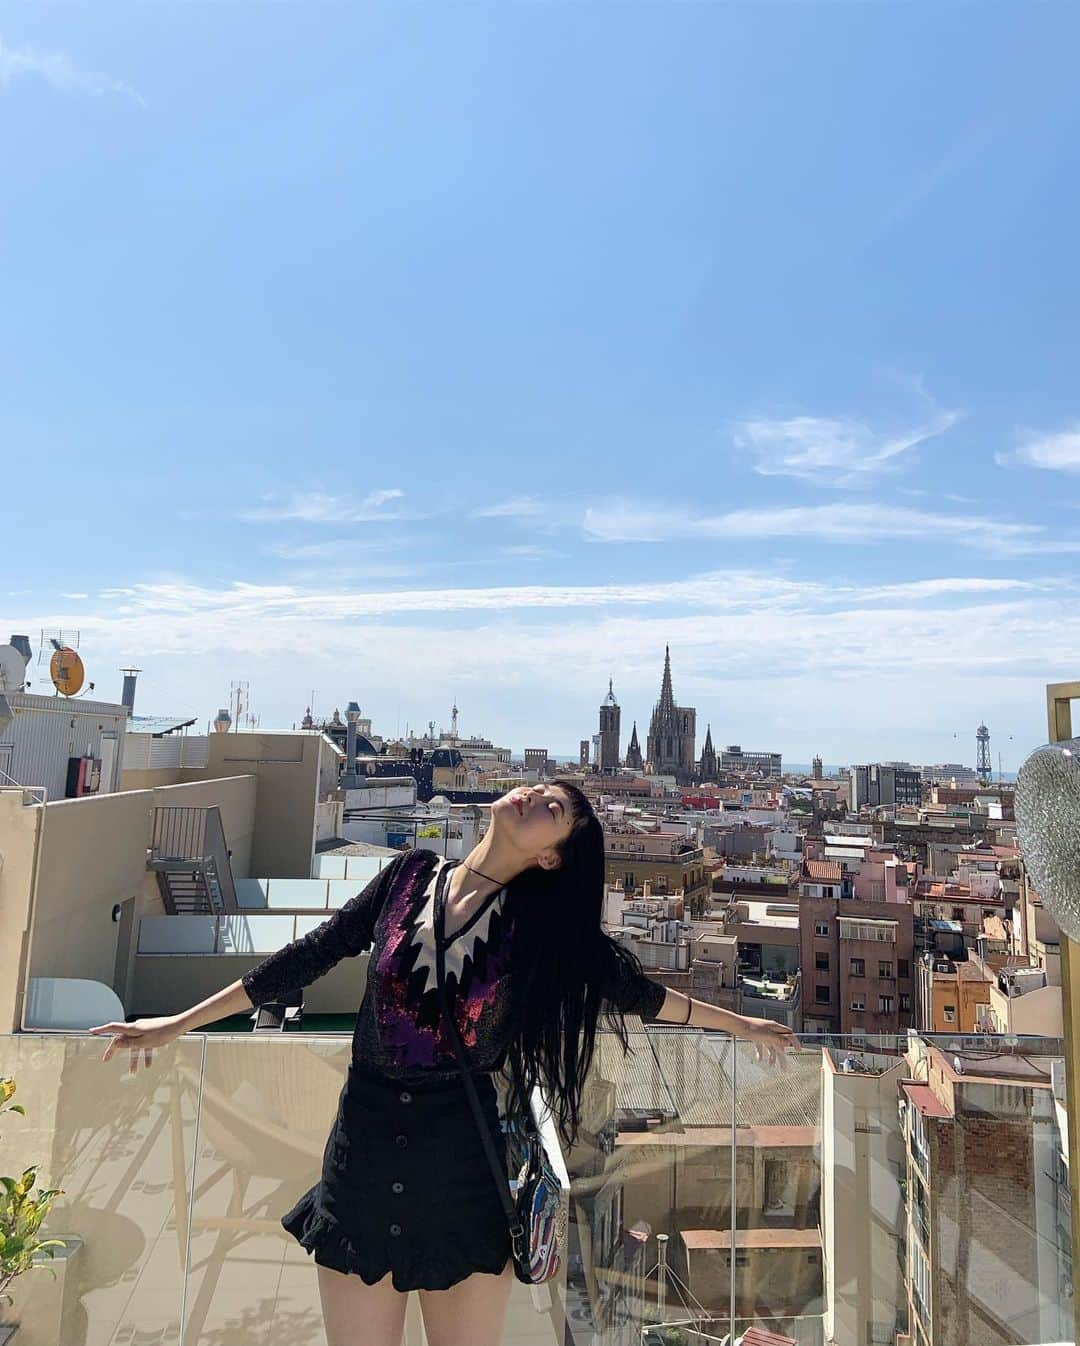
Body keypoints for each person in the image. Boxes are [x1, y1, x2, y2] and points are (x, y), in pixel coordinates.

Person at [89, 780, 797, 1346]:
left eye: (555, 810)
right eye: (540, 789)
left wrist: (742, 1024)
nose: (533, 797)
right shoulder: (407, 877)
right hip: (361, 1158)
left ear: (552, 857)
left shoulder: (537, 930)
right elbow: (307, 956)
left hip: (463, 1170)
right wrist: (177, 1023)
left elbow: (640, 996)